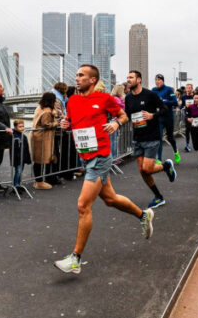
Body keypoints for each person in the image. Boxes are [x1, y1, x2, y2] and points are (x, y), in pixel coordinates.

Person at [54, 65, 153, 275]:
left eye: (81, 75)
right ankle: (143, 216)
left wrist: (116, 124)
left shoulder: (104, 99)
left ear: (92, 80)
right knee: (110, 199)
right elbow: (71, 121)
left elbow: (123, 116)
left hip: (100, 157)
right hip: (84, 157)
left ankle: (75, 259)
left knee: (83, 206)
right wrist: (65, 124)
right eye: (77, 74)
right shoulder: (72, 101)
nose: (77, 78)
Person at [125, 70, 177, 209]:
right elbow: (128, 115)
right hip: (137, 137)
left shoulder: (150, 94)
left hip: (151, 136)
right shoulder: (128, 97)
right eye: (127, 77)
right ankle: (158, 197)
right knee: (142, 171)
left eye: (131, 77)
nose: (128, 79)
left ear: (139, 80)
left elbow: (164, 108)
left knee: (147, 168)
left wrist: (152, 115)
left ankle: (166, 166)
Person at [30, 92, 58, 190]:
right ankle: (39, 182)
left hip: (37, 136)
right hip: (42, 138)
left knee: (38, 160)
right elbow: (46, 124)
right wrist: (56, 123)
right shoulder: (47, 111)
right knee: (41, 159)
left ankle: (38, 180)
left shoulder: (39, 108)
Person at [152, 73, 180, 164]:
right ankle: (159, 159)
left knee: (170, 137)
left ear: (163, 81)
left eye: (159, 80)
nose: (157, 82)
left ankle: (175, 151)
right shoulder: (153, 90)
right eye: (156, 80)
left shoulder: (168, 89)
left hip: (168, 117)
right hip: (159, 117)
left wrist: (164, 101)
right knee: (159, 138)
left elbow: (175, 102)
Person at [11, 119, 32, 189]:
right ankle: (15, 185)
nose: (22, 128)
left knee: (20, 171)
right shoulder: (13, 136)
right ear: (15, 127)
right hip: (17, 158)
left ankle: (18, 184)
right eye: (20, 127)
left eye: (23, 126)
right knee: (18, 171)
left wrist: (27, 158)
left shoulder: (24, 136)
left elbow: (26, 148)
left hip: (22, 157)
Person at [110, 84, 126, 162]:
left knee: (115, 141)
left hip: (116, 121)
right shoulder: (117, 100)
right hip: (114, 121)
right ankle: (114, 158)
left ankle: (115, 157)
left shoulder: (117, 99)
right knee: (113, 141)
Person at [181, 83, 195, 152]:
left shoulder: (195, 96)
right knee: (187, 130)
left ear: (192, 89)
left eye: (189, 88)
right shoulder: (184, 97)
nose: (188, 89)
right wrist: (179, 108)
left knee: (194, 130)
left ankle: (196, 143)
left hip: (195, 115)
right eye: (187, 88)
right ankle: (187, 144)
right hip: (187, 115)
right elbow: (182, 105)